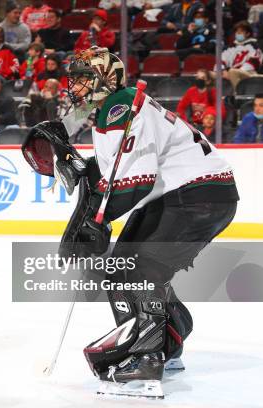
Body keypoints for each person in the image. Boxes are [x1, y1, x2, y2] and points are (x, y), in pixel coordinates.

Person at [22, 46, 238, 398]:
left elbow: (136, 182)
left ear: (105, 79)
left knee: (140, 269)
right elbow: (115, 175)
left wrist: (98, 221)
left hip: (195, 196)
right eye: (73, 79)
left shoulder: (119, 107)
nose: (73, 86)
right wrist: (89, 206)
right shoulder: (116, 106)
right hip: (192, 194)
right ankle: (171, 337)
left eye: (82, 78)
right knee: (122, 268)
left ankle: (146, 357)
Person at [220, 21, 262, 89]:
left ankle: (238, 96)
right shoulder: (231, 47)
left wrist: (233, 72)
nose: (237, 34)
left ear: (248, 33)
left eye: (240, 32)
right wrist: (223, 70)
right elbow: (221, 60)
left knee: (233, 72)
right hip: (230, 72)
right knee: (209, 75)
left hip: (249, 73)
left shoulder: (254, 46)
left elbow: (254, 62)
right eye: (236, 32)